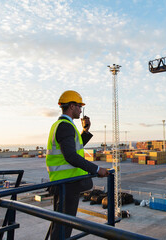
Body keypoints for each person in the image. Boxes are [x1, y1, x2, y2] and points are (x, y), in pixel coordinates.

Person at [46, 90, 109, 239]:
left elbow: (72, 148)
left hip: (64, 183)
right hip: (67, 183)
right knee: (64, 228)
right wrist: (97, 169)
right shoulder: (65, 126)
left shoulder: (61, 125)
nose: (81, 110)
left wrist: (85, 130)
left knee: (60, 226)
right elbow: (71, 156)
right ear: (72, 106)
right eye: (79, 106)